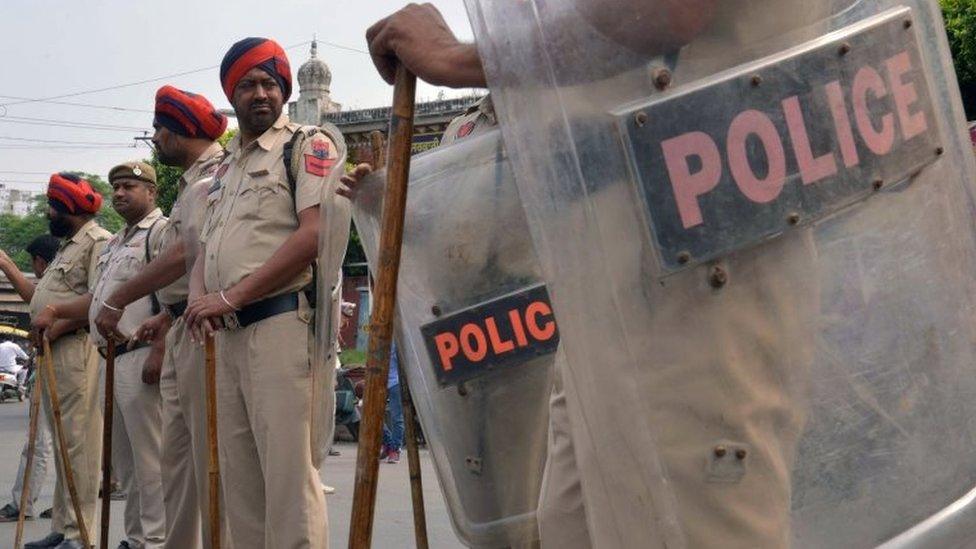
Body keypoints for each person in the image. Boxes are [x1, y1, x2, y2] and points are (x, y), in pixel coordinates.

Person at [183, 37, 350, 549]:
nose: (261, 93)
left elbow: (312, 235)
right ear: (231, 96)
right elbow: (206, 248)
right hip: (227, 337)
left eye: (270, 84)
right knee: (242, 489)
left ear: (286, 90)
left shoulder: (309, 144)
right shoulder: (223, 171)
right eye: (248, 84)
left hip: (281, 327)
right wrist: (199, 298)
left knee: (288, 484)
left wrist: (228, 298)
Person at [95, 85, 228, 549]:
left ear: (179, 131)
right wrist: (165, 319)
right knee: (171, 463)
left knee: (197, 460)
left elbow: (182, 255)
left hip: (205, 332)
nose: (154, 137)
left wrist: (121, 300)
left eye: (158, 129)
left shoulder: (216, 175)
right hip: (178, 327)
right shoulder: (192, 182)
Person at [36, 161, 168, 549]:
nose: (121, 193)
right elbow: (97, 300)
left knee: (150, 460)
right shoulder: (116, 242)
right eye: (116, 188)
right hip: (113, 357)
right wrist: (57, 310)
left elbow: (174, 296)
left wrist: (161, 348)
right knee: (126, 466)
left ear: (151, 192)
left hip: (142, 353)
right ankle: (136, 537)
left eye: (130, 186)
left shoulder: (159, 232)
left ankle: (156, 540)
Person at [26, 173, 111, 549]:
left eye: (53, 206)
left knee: (79, 444)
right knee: (62, 445)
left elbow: (101, 298)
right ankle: (63, 528)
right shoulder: (66, 246)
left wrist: (58, 325)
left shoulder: (97, 242)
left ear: (69, 208)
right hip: (53, 350)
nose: (49, 212)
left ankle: (80, 533)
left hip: (75, 348)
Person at [0, 235, 60, 523]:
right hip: (57, 364)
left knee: (39, 441)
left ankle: (24, 504)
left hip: (63, 365)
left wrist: (6, 263)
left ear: (40, 263)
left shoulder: (58, 282)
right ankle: (63, 508)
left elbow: (35, 302)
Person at [379, 341, 403, 464]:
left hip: (396, 382)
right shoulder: (378, 338)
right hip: (379, 380)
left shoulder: (399, 338)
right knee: (374, 415)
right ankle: (388, 442)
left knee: (396, 417)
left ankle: (395, 449)